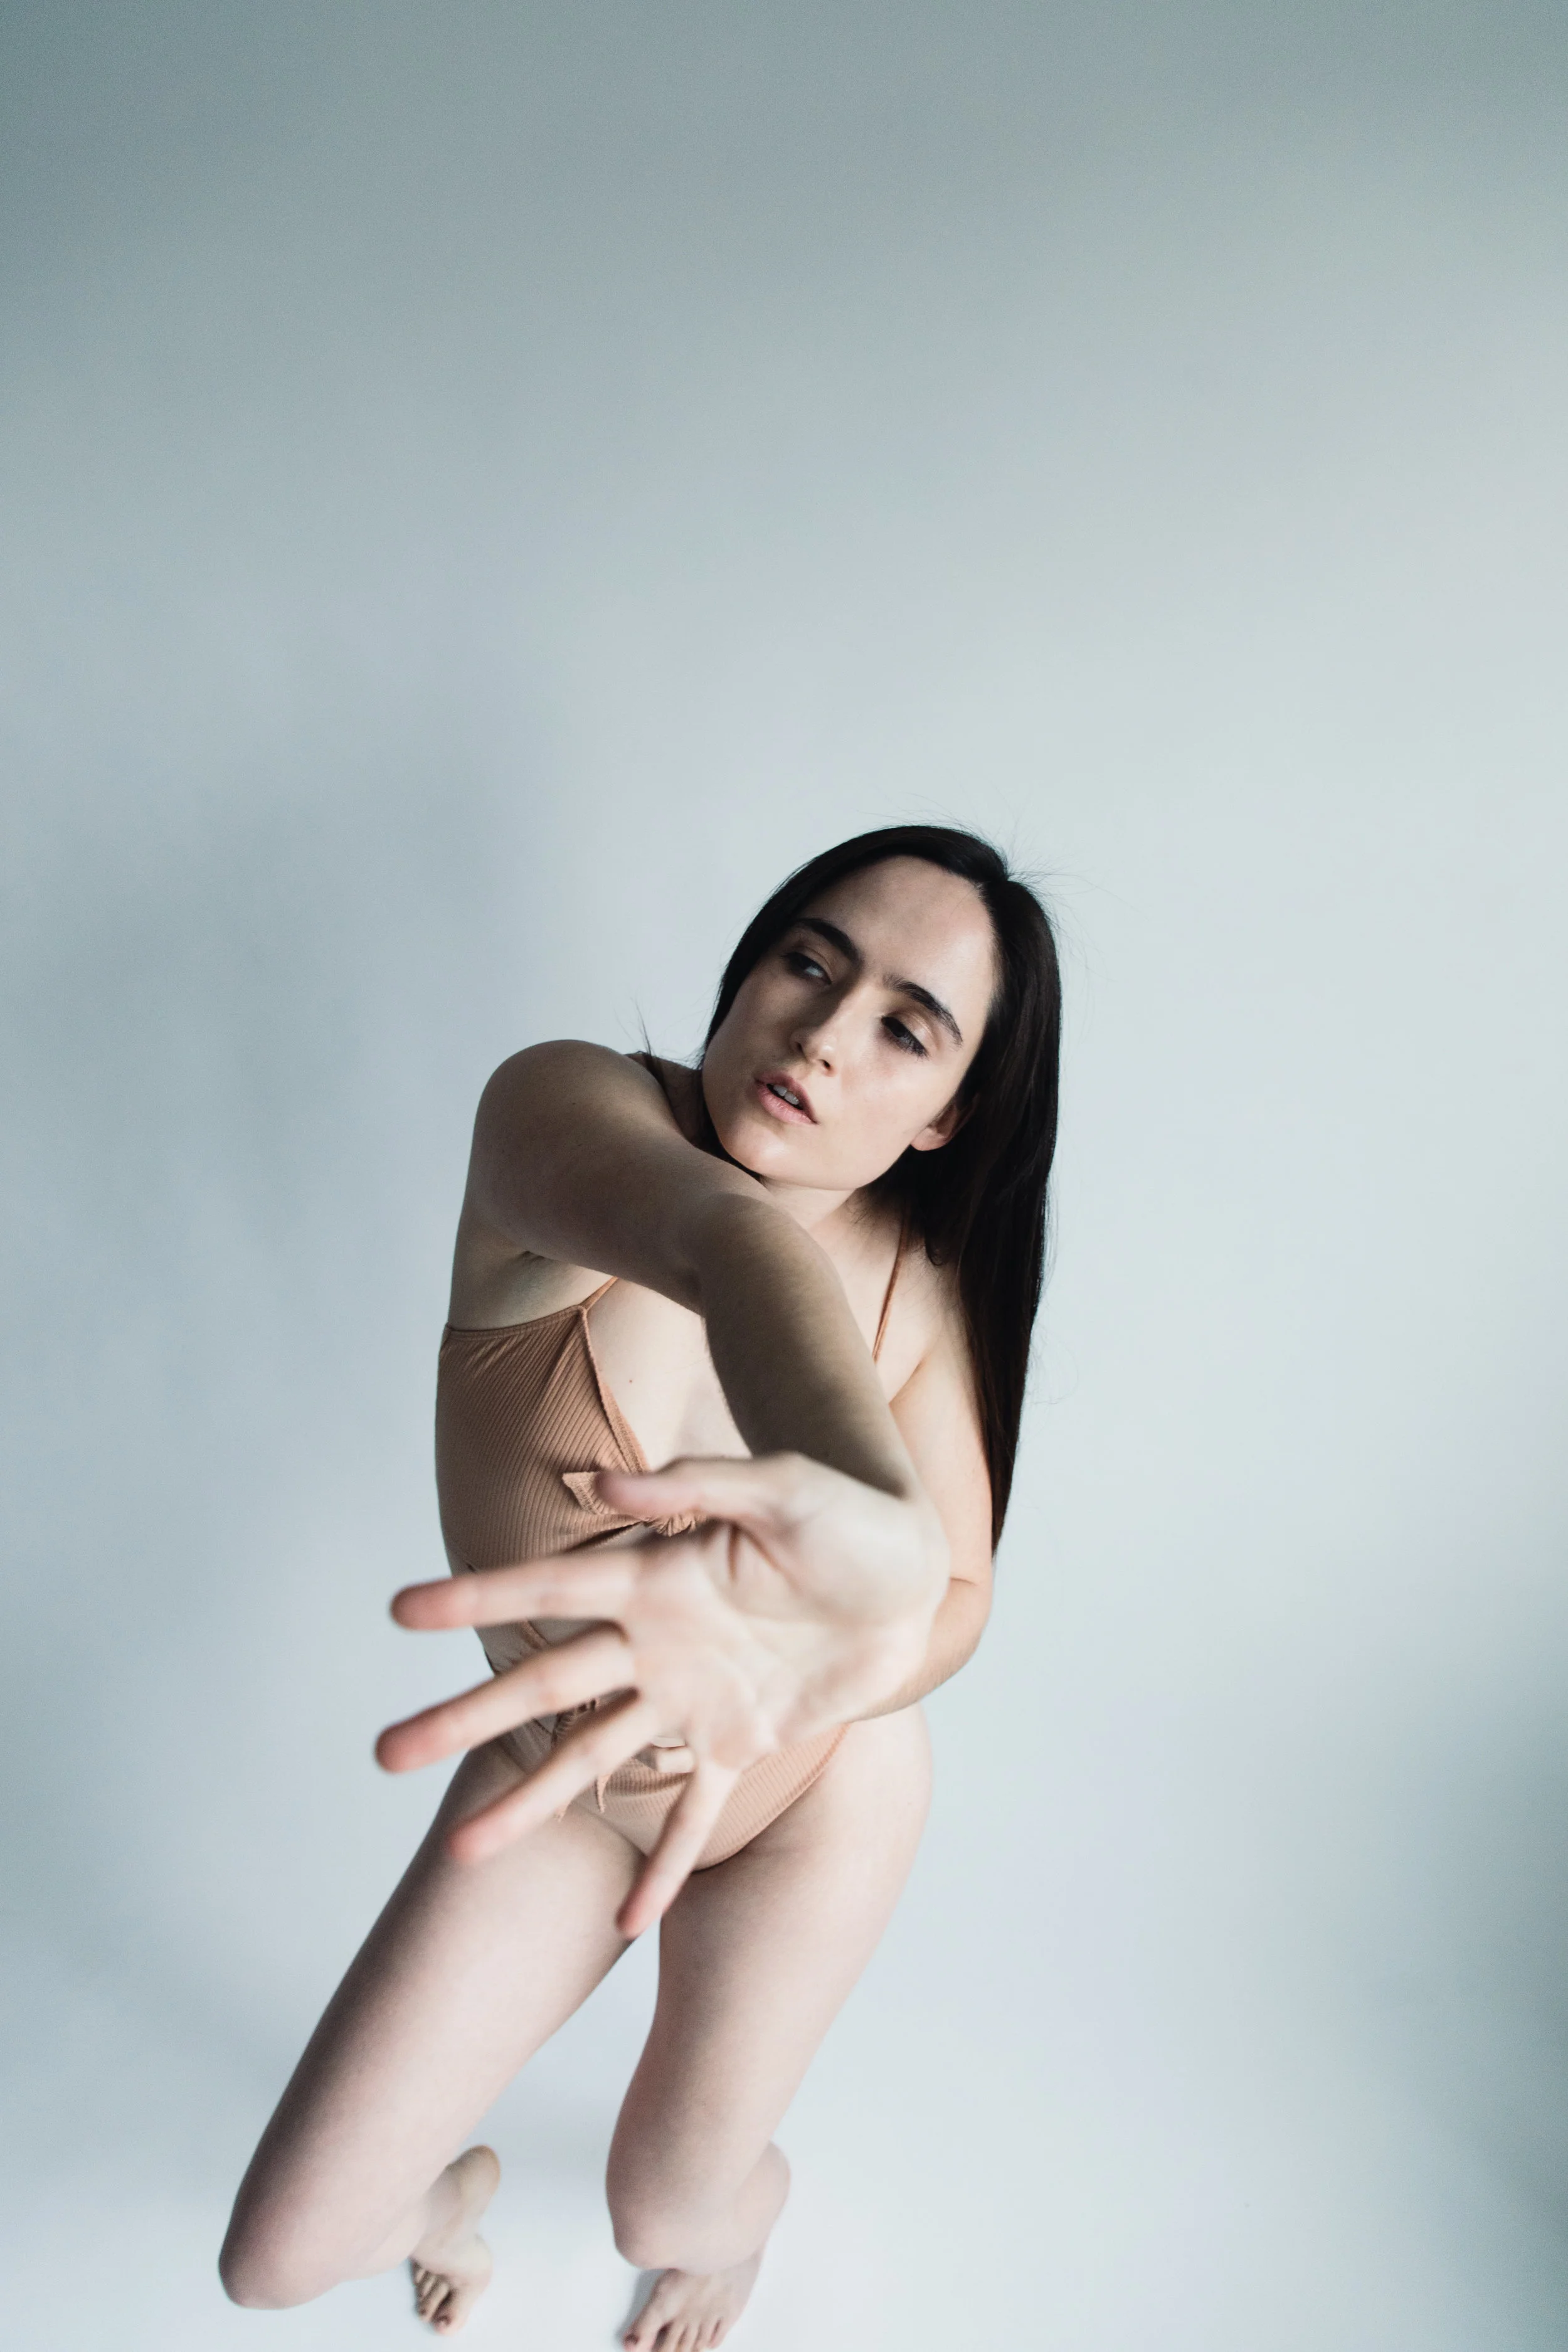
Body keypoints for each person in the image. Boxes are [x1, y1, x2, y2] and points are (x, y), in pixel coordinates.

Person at [219, 824, 1061, 2348]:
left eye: (904, 1028)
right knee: (280, 2258)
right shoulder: (565, 1109)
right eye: (810, 961)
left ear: (949, 1113)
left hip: (811, 1796)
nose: (822, 1033)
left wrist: (835, 1641)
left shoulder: (921, 1283)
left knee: (666, 2213)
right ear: (749, 964)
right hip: (568, 1775)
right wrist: (856, 1523)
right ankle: (447, 2200)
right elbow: (723, 1240)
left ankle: (746, 2217)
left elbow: (952, 1592)